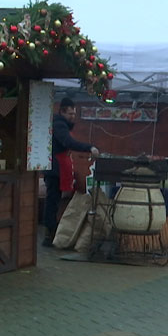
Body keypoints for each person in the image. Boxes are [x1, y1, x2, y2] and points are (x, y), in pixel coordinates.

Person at [43, 97, 100, 247]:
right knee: (52, 201)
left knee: (55, 201)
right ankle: (50, 233)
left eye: (74, 114)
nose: (73, 117)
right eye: (70, 114)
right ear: (62, 111)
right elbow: (68, 142)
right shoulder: (59, 125)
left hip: (57, 167)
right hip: (55, 168)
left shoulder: (61, 124)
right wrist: (89, 148)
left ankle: (54, 231)